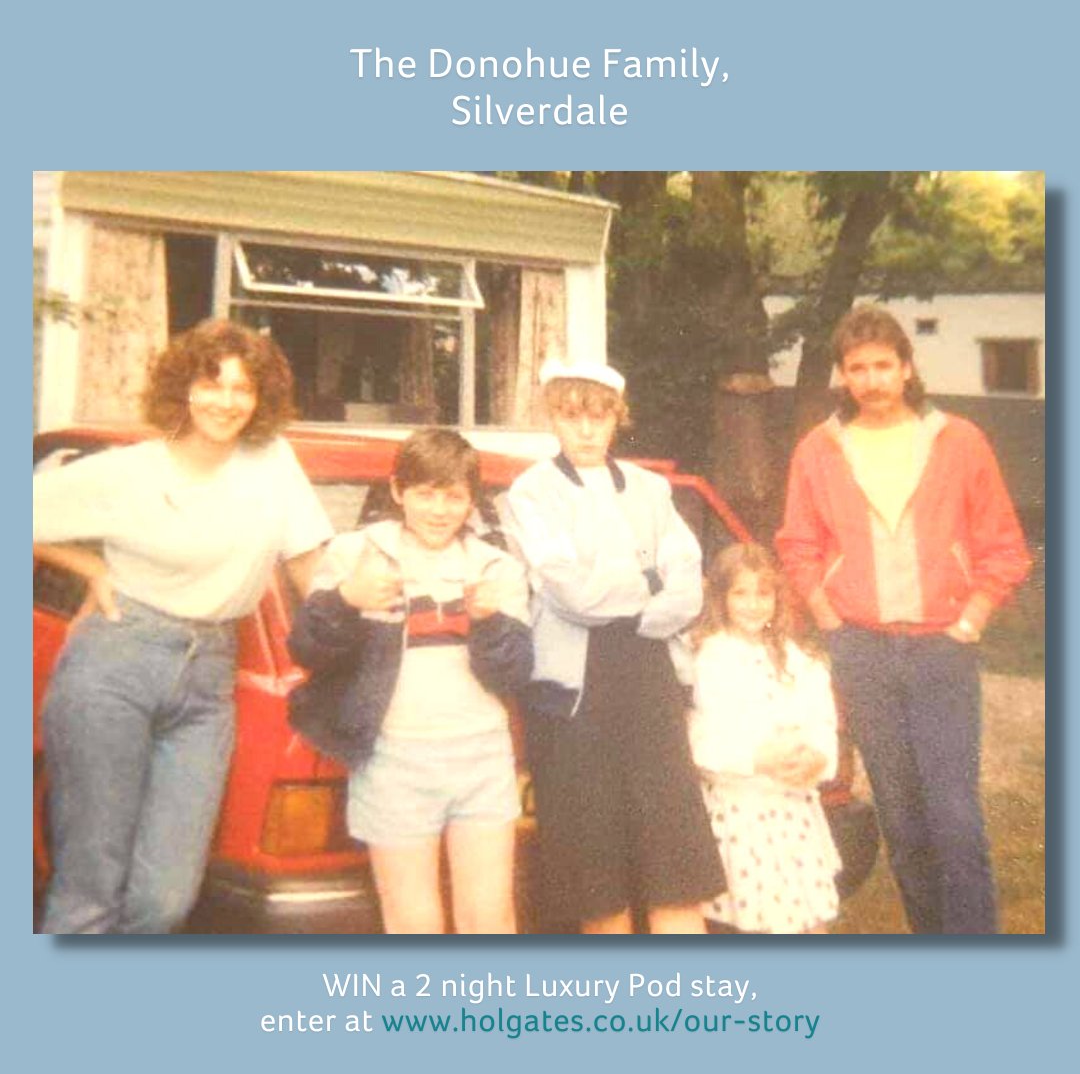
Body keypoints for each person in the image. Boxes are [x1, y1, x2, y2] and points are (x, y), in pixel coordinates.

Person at [33, 319, 334, 934]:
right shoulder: (131, 470)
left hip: (208, 679)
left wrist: (361, 631)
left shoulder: (273, 461)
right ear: (183, 388)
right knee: (92, 882)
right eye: (211, 383)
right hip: (116, 662)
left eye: (243, 388)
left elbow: (312, 566)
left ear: (261, 398)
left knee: (167, 897)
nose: (226, 401)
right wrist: (89, 565)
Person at [776, 304, 1032, 934]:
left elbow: (1004, 545)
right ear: (843, 375)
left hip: (941, 650)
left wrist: (971, 618)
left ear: (906, 367)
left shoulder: (958, 441)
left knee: (954, 818)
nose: (871, 380)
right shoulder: (819, 449)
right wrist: (828, 616)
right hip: (862, 651)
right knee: (901, 819)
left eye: (883, 366)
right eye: (857, 369)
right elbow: (798, 544)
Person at [499, 361, 723, 934]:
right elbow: (571, 591)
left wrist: (634, 594)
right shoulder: (530, 492)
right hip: (572, 698)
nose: (586, 430)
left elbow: (687, 587)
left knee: (674, 863)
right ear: (553, 417)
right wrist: (648, 580)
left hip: (649, 680)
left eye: (598, 417)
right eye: (571, 416)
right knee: (596, 874)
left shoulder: (651, 489)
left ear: (617, 418)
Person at [287, 428, 533, 934]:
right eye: (425, 494)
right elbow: (307, 649)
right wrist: (346, 600)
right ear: (398, 491)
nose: (439, 510)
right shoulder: (355, 553)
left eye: (454, 497)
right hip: (393, 759)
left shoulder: (497, 567)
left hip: (481, 757)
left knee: (489, 918)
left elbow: (512, 673)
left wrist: (489, 623)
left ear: (471, 501)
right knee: (411, 920)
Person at [688, 543, 841, 935]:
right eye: (740, 593)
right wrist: (756, 759)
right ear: (721, 597)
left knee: (811, 919)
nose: (753, 605)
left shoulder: (796, 658)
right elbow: (701, 740)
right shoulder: (709, 659)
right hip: (743, 812)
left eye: (763, 593)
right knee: (761, 919)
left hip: (793, 809)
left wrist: (818, 757)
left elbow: (821, 720)